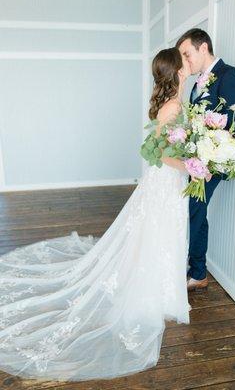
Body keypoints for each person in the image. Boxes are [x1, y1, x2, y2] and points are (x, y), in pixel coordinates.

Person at [0, 48, 192, 381]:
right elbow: (163, 153)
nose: (188, 65)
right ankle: (160, 291)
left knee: (158, 233)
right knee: (162, 232)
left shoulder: (171, 103)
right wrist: (193, 166)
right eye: (184, 61)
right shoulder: (173, 106)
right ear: (176, 71)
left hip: (165, 181)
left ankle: (164, 288)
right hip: (168, 180)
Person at [176, 28, 235, 291]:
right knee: (194, 210)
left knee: (194, 209)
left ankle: (197, 272)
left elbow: (232, 126)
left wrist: (209, 162)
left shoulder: (231, 76)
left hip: (215, 161)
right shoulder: (198, 83)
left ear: (203, 47)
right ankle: (196, 268)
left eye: (187, 54)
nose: (185, 61)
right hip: (198, 159)